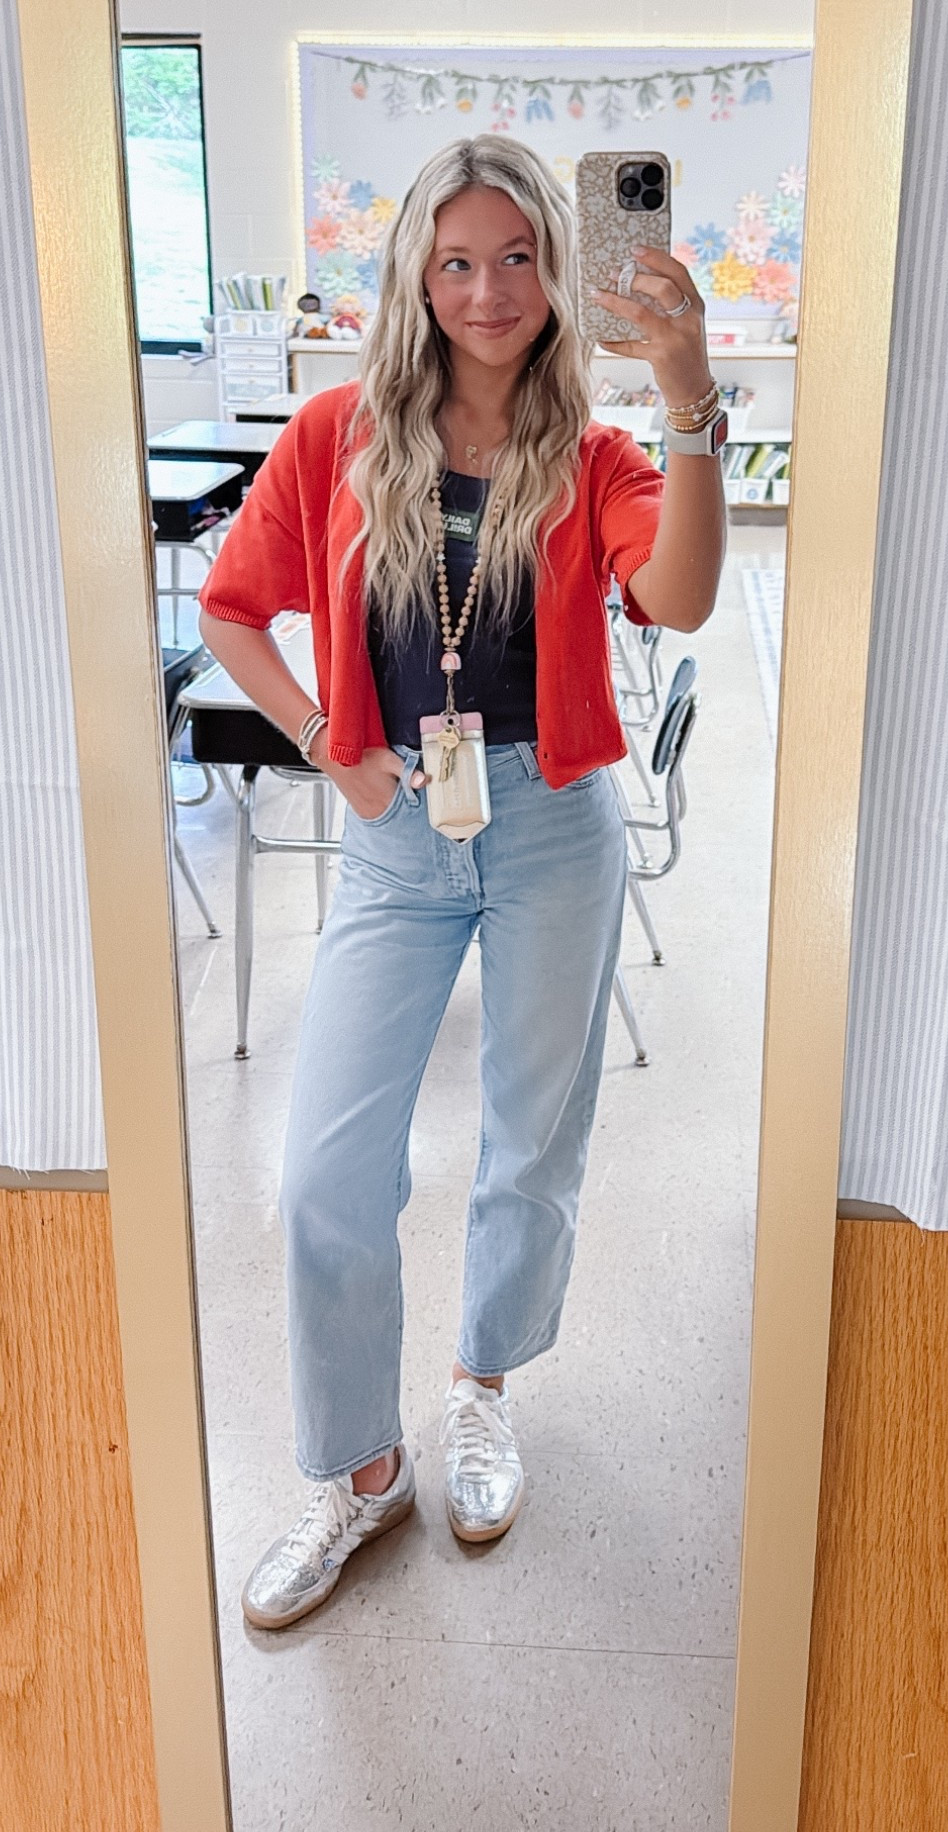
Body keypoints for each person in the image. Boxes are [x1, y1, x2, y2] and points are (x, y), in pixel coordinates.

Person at [198, 134, 726, 1631]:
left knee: (527, 1142)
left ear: (558, 273)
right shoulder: (334, 436)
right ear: (413, 277)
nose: (488, 291)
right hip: (392, 832)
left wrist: (687, 391)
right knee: (325, 1171)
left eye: (515, 257)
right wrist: (324, 744)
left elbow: (678, 597)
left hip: (554, 819)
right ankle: (361, 1472)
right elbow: (232, 611)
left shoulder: (603, 451)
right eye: (455, 260)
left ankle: (480, 1394)